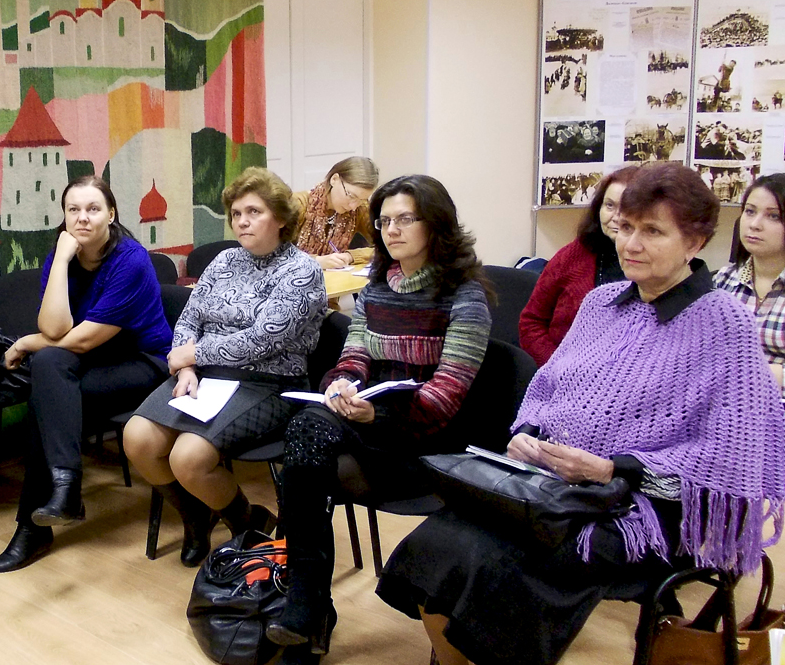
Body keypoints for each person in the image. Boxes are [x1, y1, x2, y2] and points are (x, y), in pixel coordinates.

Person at [375, 162, 785, 665]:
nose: (631, 243)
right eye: (625, 227)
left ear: (695, 241)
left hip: (646, 508)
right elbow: (549, 388)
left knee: (499, 562)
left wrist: (615, 469)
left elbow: (732, 466)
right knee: (439, 541)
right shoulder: (601, 303)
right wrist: (527, 433)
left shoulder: (725, 324)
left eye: (653, 231)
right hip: (559, 484)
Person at [266, 175, 492, 660]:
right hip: (372, 422)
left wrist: (375, 414)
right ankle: (308, 600)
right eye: (384, 221)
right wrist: (341, 386)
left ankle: (308, 609)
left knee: (312, 466)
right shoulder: (376, 288)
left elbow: (445, 398)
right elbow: (353, 358)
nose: (391, 230)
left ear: (436, 224)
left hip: (428, 442)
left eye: (405, 219)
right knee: (307, 426)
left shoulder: (464, 298)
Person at [123, 167, 327, 567]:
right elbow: (190, 318)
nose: (242, 221)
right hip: (206, 375)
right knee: (137, 438)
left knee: (188, 458)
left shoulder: (302, 270)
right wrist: (186, 369)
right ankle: (195, 516)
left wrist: (194, 356)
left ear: (280, 218)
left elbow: (264, 340)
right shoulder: (225, 260)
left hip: (270, 381)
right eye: (236, 214)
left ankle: (246, 521)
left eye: (254, 212)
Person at [0, 175, 172, 573]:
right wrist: (60, 260)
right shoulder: (62, 256)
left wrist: (25, 342)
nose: (82, 218)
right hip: (93, 360)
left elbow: (84, 339)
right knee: (49, 369)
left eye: (93, 209)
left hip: (144, 362)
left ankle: (38, 521)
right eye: (73, 209)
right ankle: (65, 488)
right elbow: (56, 330)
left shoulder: (130, 260)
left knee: (47, 396)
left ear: (111, 214)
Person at [519, 166, 638, 366]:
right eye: (609, 205)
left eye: (627, 208)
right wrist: (558, 368)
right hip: (561, 371)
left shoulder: (653, 266)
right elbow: (531, 322)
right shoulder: (573, 255)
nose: (616, 217)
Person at [713, 172, 785, 395]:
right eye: (750, 211)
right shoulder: (721, 281)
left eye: (773, 216)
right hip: (726, 403)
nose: (754, 224)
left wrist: (760, 374)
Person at [293, 156, 379, 269]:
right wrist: (316, 261)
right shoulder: (298, 204)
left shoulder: (360, 209)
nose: (353, 207)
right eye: (351, 196)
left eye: (362, 200)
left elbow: (386, 247)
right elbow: (275, 254)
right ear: (334, 179)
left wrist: (351, 256)